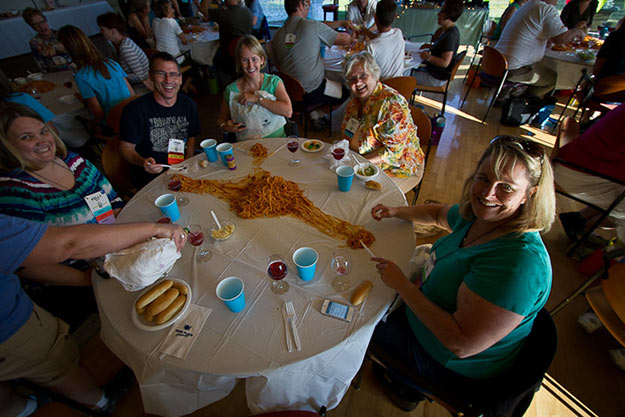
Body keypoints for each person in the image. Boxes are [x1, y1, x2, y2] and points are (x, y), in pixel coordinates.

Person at [368, 135, 555, 411]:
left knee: (358, 325)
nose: (487, 194)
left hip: (450, 363)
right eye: (483, 178)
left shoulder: (519, 265)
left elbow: (460, 344)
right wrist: (397, 211)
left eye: (506, 187)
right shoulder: (481, 217)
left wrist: (403, 287)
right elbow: (438, 214)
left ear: (531, 194)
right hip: (429, 309)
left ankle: (406, 389)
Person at [0, 213, 185, 417]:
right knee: (57, 365)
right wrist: (154, 229)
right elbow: (67, 244)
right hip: (10, 329)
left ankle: (23, 407)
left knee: (12, 380)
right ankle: (100, 401)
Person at [0, 103, 125, 326]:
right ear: (8, 146)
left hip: (116, 252)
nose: (42, 141)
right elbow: (26, 264)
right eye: (27, 137)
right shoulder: (16, 192)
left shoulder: (75, 162)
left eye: (43, 131)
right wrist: (89, 279)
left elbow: (113, 202)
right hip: (80, 281)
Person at [119, 51, 201, 189]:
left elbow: (191, 134)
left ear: (180, 79)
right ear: (150, 76)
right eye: (161, 74)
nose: (168, 80)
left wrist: (189, 155)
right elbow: (126, 149)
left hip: (182, 167)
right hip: (152, 176)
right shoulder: (134, 110)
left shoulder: (188, 104)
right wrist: (144, 162)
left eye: (173, 74)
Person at [269, 0, 353, 127]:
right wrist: (353, 34)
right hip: (312, 91)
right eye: (307, 4)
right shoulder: (311, 26)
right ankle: (317, 113)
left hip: (288, 92)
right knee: (346, 91)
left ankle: (311, 112)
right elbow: (345, 40)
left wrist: (340, 23)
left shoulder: (278, 34)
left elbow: (278, 65)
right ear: (301, 5)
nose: (309, 7)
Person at [341, 52, 424, 177]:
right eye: (352, 79)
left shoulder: (392, 105)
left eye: (363, 75)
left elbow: (393, 152)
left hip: (396, 165)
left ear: (374, 75)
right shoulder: (354, 103)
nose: (358, 83)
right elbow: (347, 132)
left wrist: (359, 165)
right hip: (359, 158)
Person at [555, 104, 625, 244]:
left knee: (620, 197)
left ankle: (578, 220)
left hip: (575, 162)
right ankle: (587, 230)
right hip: (578, 173)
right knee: (622, 210)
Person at [495, 0, 586, 98]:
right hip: (515, 69)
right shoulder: (546, 9)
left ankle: (513, 94)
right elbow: (560, 39)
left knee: (542, 68)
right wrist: (577, 31)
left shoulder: (528, 6)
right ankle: (521, 102)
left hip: (496, 62)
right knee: (554, 79)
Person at [217, 35, 292, 140]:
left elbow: (288, 112)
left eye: (254, 59)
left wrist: (257, 99)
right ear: (239, 62)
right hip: (247, 147)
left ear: (262, 60)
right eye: (245, 60)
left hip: (277, 142)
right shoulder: (231, 91)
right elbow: (221, 119)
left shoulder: (274, 82)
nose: (250, 65)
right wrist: (225, 127)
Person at [57, 25, 134, 122]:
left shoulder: (81, 76)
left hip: (115, 123)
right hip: (133, 114)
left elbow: (98, 114)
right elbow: (132, 94)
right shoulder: (112, 63)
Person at [413, 0, 463, 87]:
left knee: (403, 75)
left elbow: (445, 63)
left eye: (441, 12)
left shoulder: (450, 36)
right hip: (433, 72)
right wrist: (431, 47)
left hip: (435, 78)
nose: (438, 14)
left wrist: (428, 57)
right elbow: (441, 49)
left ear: (449, 15)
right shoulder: (447, 30)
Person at [207, 0, 254, 89]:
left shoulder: (223, 14)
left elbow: (205, 11)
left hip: (229, 55)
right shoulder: (248, 12)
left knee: (213, 58)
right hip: (246, 52)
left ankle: (223, 87)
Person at [97, 13, 150, 89]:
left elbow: (139, 76)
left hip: (142, 86)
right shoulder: (124, 41)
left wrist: (120, 76)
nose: (101, 33)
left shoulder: (126, 48)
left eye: (103, 30)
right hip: (139, 83)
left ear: (113, 31)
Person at [22, 7, 72, 72]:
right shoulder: (34, 42)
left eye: (42, 22)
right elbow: (41, 65)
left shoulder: (61, 34)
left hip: (71, 69)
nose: (42, 27)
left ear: (46, 20)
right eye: (36, 25)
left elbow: (78, 52)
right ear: (32, 27)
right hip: (54, 74)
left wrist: (63, 48)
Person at [365, 0, 405, 80]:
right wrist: (365, 31)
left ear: (375, 18)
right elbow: (382, 39)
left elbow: (366, 73)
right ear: (395, 16)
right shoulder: (398, 33)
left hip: (382, 89)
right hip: (399, 86)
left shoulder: (371, 46)